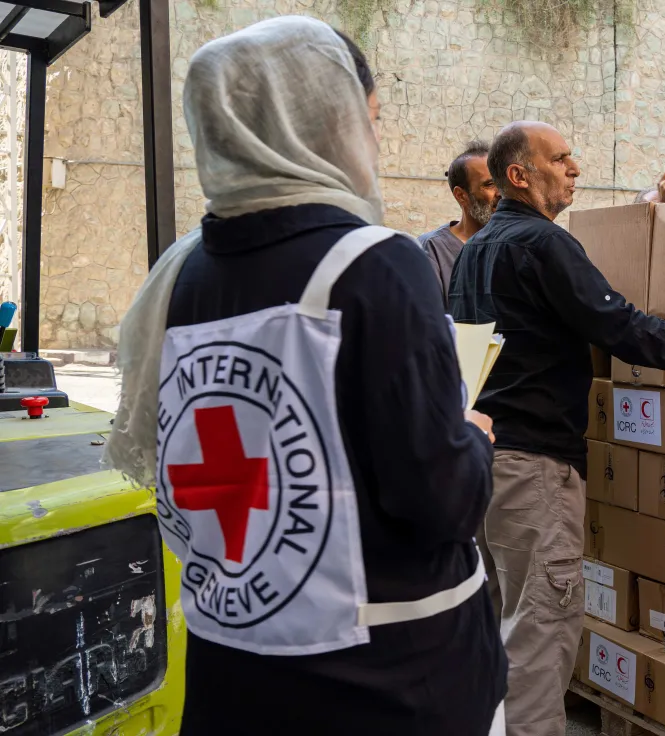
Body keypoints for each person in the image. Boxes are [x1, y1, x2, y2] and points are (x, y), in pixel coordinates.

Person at [103, 18, 505, 735]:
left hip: (236, 677)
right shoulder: (378, 263)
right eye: (369, 120)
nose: (374, 143)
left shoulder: (182, 274)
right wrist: (472, 437)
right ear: (321, 122)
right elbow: (441, 499)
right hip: (391, 687)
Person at [450, 120, 665, 736]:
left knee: (500, 626)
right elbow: (623, 329)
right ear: (520, 175)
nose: (575, 168)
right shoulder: (544, 245)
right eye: (561, 158)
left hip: (483, 463)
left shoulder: (473, 252)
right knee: (539, 634)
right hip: (535, 470)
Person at [420, 141, 499, 305]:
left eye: (502, 183)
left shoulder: (517, 246)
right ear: (461, 196)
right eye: (490, 184)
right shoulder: (433, 249)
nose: (501, 193)